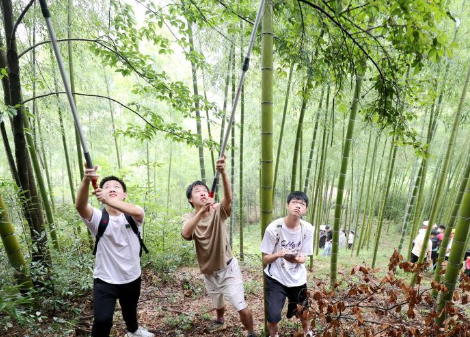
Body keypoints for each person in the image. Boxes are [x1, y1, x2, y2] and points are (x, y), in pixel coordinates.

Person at [181, 157, 256, 337]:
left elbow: (229, 198)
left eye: (204, 190)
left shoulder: (217, 210)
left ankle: (251, 332)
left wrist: (223, 173)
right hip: (208, 270)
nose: (202, 192)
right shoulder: (189, 217)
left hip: (228, 268)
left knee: (240, 305)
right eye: (197, 191)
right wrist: (200, 212)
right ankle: (220, 319)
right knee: (217, 301)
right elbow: (186, 234)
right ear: (191, 199)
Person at [75, 167, 153, 337]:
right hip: (105, 279)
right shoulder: (97, 217)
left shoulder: (132, 214)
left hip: (132, 276)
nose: (111, 188)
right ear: (100, 193)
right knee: (102, 320)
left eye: (116, 187)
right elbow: (80, 206)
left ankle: (133, 331)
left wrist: (109, 201)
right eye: (107, 186)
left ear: (124, 195)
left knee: (130, 310)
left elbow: (138, 212)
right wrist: (86, 180)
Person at [260, 191, 314, 337]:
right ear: (287, 205)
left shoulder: (307, 229)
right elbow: (265, 259)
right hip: (276, 277)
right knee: (272, 317)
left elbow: (304, 258)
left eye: (302, 204)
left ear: (306, 209)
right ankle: (273, 335)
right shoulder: (274, 228)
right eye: (295, 202)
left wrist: (295, 259)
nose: (298, 206)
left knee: (304, 312)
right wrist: (278, 254)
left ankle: (307, 332)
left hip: (297, 278)